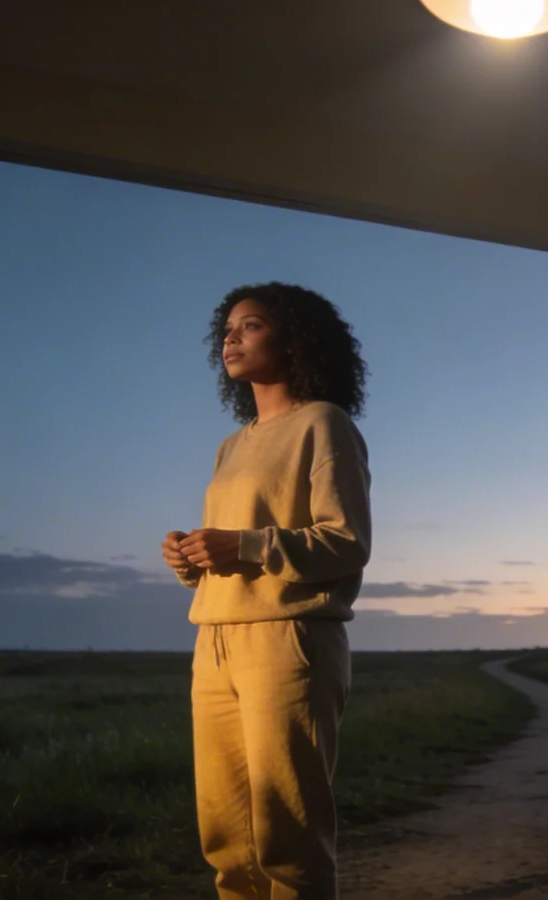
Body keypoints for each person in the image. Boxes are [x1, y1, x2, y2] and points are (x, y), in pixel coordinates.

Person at [161, 281, 372, 900]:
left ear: (295, 338)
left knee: (289, 834)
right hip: (215, 640)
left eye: (249, 325)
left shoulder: (324, 424)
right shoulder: (233, 444)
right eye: (226, 329)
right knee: (226, 837)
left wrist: (246, 544)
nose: (231, 337)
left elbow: (345, 541)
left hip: (290, 640)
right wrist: (191, 557)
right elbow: (235, 548)